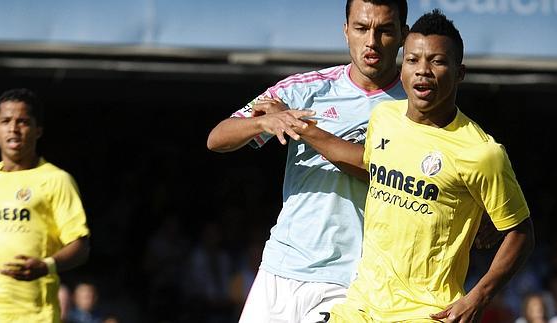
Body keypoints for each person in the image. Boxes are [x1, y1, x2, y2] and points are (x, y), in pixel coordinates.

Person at [291, 9, 535, 322]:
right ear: (402, 66)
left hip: (426, 313)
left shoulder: (482, 152)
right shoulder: (384, 118)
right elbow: (369, 166)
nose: (423, 71)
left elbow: (521, 233)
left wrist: (479, 296)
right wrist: (302, 128)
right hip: (360, 306)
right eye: (413, 60)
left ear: (460, 72)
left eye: (437, 61)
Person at [207, 1, 409, 322]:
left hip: (352, 278)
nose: (371, 41)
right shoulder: (307, 88)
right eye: (361, 28)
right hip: (280, 268)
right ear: (345, 32)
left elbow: (382, 174)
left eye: (384, 30)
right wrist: (262, 123)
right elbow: (217, 138)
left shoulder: (413, 107)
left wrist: (303, 129)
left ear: (403, 36)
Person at [0, 88, 91, 322]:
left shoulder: (56, 180)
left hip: (33, 315)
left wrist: (46, 266)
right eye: (5, 121)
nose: (13, 129)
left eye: (23, 122)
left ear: (37, 130)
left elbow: (80, 246)